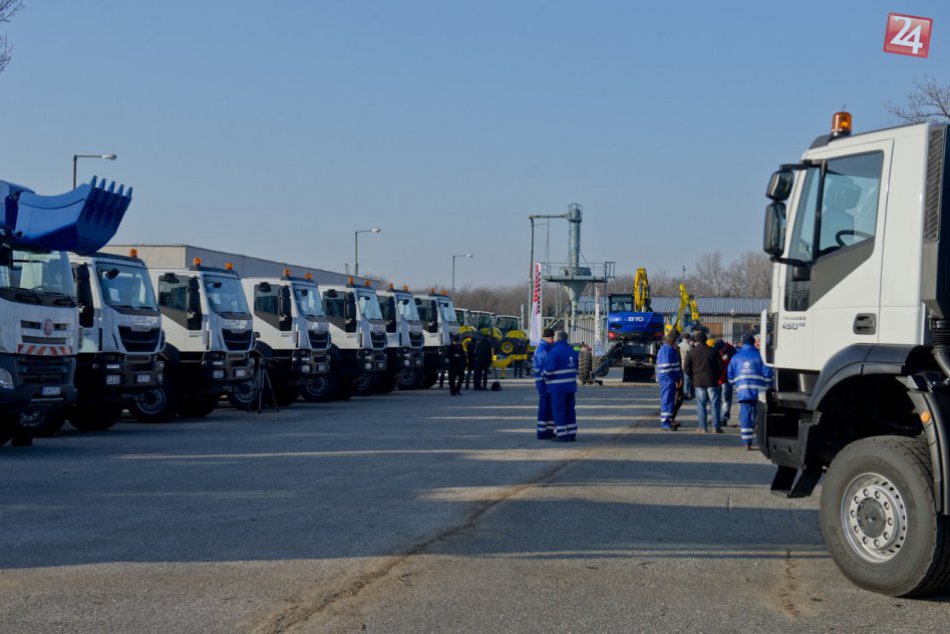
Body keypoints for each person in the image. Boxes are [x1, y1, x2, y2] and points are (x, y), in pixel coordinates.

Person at [728, 333, 774, 449]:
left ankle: (747, 441)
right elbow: (768, 373)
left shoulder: (736, 357)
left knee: (745, 417)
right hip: (759, 393)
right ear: (754, 342)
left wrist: (736, 384)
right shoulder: (760, 356)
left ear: (742, 343)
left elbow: (730, 376)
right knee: (759, 417)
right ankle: (760, 440)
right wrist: (768, 384)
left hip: (743, 393)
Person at [683, 331, 723, 433]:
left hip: (698, 381)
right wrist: (716, 377)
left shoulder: (691, 352)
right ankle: (716, 427)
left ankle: (702, 427)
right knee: (715, 404)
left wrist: (693, 377)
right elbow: (721, 367)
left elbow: (686, 368)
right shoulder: (714, 351)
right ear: (706, 340)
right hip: (712, 381)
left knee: (701, 405)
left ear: (696, 340)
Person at [542, 331, 579, 441]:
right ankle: (572, 434)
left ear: (556, 339)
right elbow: (576, 367)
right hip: (571, 386)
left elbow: (548, 370)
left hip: (558, 388)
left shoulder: (554, 352)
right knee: (570, 410)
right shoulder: (572, 351)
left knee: (559, 411)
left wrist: (544, 377)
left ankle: (562, 435)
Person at [655, 333, 682, 430]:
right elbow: (666, 366)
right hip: (668, 379)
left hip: (669, 379)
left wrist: (678, 377)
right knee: (667, 401)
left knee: (669, 401)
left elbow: (674, 366)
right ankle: (665, 423)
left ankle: (668, 420)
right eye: (677, 341)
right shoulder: (667, 350)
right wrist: (675, 377)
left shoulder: (668, 349)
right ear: (673, 341)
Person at [533, 328, 555, 439]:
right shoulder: (542, 350)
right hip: (544, 383)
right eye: (552, 338)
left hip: (546, 383)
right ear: (548, 338)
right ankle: (542, 432)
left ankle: (549, 430)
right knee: (544, 408)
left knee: (549, 408)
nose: (553, 340)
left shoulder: (546, 348)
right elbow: (544, 369)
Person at [714, 339, 737, 425]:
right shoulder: (716, 350)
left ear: (724, 347)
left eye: (720, 350)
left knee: (726, 399)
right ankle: (717, 417)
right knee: (717, 399)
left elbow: (734, 365)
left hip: (727, 379)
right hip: (717, 379)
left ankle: (724, 417)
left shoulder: (732, 351)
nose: (719, 352)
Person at [678, 334, 695, 400]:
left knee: (681, 380)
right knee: (687, 380)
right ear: (688, 338)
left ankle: (679, 394)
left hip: (679, 365)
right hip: (686, 365)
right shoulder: (689, 347)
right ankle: (685, 394)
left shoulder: (678, 345)